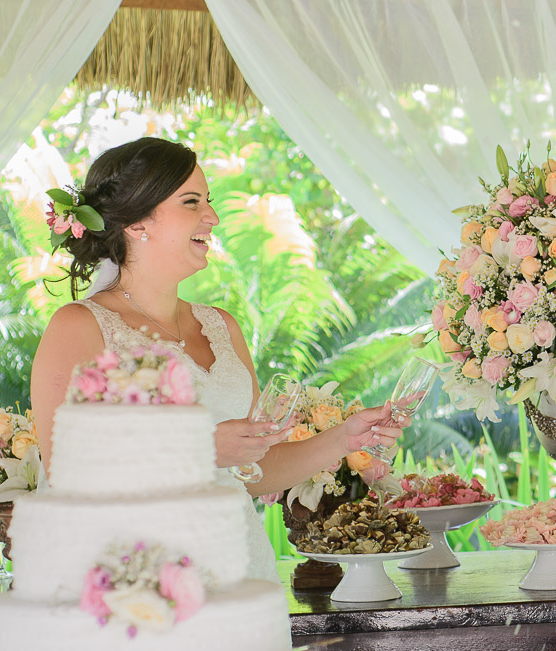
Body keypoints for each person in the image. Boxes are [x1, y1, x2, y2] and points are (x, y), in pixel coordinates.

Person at [30, 137, 403, 581]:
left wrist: (343, 439)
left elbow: (254, 469)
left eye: (209, 201)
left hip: (239, 567)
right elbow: (67, 470)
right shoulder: (81, 327)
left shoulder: (222, 327)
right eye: (192, 202)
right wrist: (201, 449)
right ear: (136, 223)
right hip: (140, 580)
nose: (213, 217)